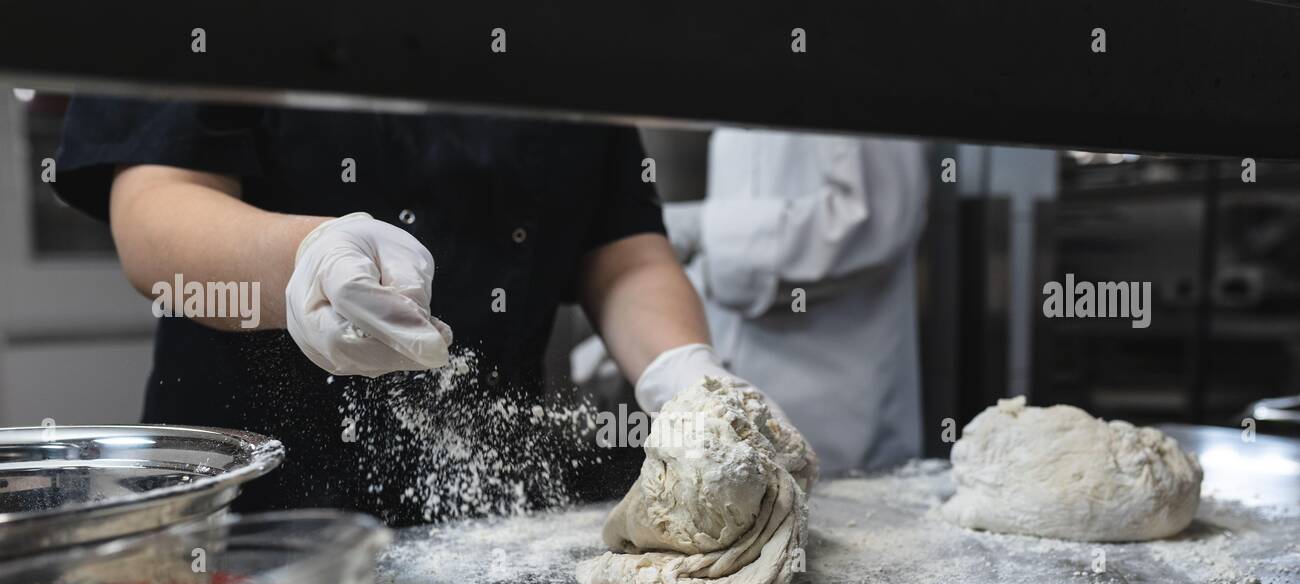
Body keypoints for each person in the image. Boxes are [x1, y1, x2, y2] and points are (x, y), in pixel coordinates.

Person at [54, 98, 805, 521]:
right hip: (249, 522)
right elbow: (155, 212)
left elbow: (627, 255)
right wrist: (307, 261)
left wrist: (686, 373)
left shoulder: (571, 35)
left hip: (488, 511)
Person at [663, 129, 928, 473]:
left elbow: (873, 219)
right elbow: (734, 270)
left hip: (841, 419)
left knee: (847, 516)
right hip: (744, 401)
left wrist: (704, 227)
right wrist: (671, 327)